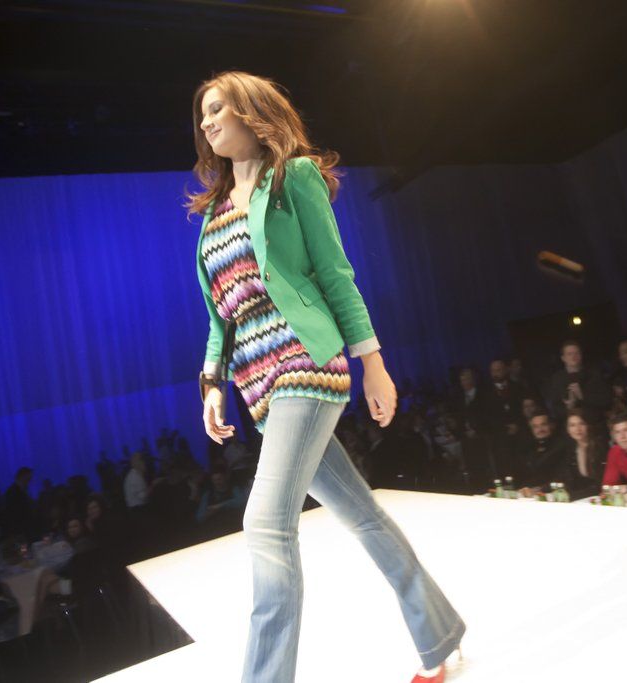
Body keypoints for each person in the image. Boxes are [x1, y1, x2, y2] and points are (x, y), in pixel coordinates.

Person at [189, 71, 464, 683]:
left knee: (265, 524)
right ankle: (440, 633)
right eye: (203, 114)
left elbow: (336, 274)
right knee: (362, 514)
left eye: (218, 108)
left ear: (251, 111)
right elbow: (220, 315)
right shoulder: (212, 215)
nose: (207, 122)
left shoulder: (293, 178)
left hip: (305, 364)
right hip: (258, 384)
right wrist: (211, 384)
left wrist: (373, 362)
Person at [540, 340, 612, 426]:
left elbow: (606, 400)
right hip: (569, 427)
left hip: (594, 424)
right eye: (569, 354)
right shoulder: (557, 379)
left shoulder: (594, 375)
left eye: (576, 353)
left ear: (581, 356)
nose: (573, 356)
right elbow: (554, 408)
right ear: (563, 358)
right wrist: (568, 407)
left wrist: (583, 396)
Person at [556, 409, 607, 500]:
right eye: (572, 425)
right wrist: (539, 490)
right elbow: (564, 478)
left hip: (599, 497)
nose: (577, 429)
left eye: (581, 424)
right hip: (580, 497)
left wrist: (571, 496)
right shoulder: (571, 450)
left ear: (588, 425)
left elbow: (600, 484)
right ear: (568, 429)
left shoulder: (600, 448)